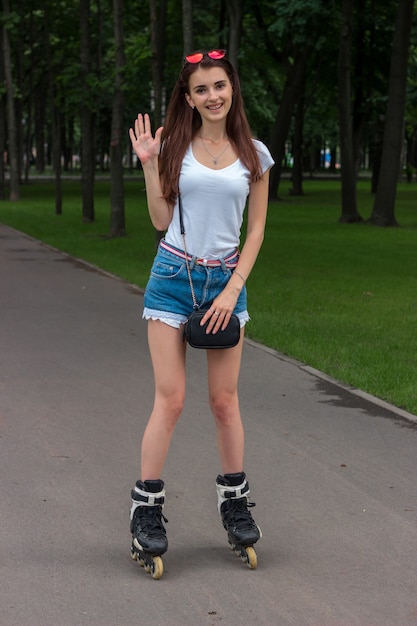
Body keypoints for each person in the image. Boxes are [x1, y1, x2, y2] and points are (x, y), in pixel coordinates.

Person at [128, 49, 274, 577]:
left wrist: (233, 290)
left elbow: (255, 230)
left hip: (225, 284)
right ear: (188, 99)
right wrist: (149, 164)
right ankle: (146, 511)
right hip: (172, 279)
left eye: (220, 85)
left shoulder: (254, 154)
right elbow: (161, 217)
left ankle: (235, 503)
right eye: (201, 89)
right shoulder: (173, 146)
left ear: (231, 88)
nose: (213, 96)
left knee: (224, 402)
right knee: (170, 401)